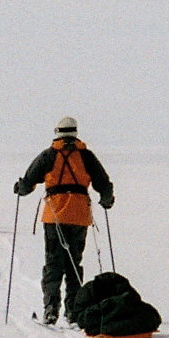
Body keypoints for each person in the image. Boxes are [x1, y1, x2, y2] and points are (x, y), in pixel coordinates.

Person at [12, 116, 114, 325]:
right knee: (74, 264)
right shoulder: (86, 156)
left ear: (57, 132)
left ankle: (51, 309)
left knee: (53, 263)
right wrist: (106, 199)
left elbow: (29, 181)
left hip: (54, 216)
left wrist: (20, 189)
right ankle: (74, 312)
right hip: (79, 215)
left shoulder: (48, 155)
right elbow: (103, 182)